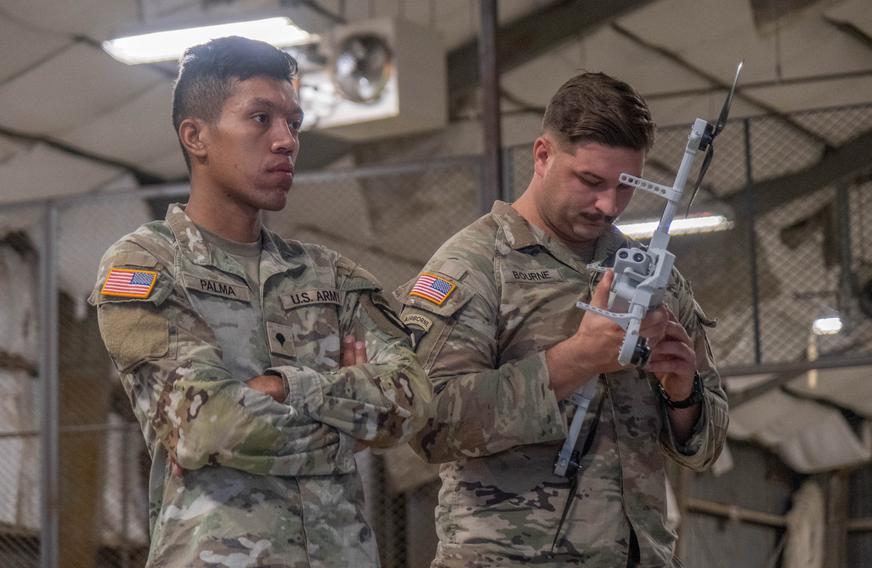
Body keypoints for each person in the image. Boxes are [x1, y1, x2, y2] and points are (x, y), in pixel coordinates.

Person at [90, 36, 431, 567]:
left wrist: (283, 386)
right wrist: (349, 424)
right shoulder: (148, 264)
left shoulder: (331, 274)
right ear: (196, 136)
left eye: (293, 123)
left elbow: (410, 401)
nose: (286, 141)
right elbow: (206, 423)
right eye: (260, 118)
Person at [395, 72, 728, 567]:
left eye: (625, 186)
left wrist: (683, 395)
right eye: (591, 181)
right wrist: (575, 360)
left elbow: (704, 449)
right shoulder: (476, 266)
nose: (609, 205)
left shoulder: (652, 275)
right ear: (543, 155)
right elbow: (427, 423)